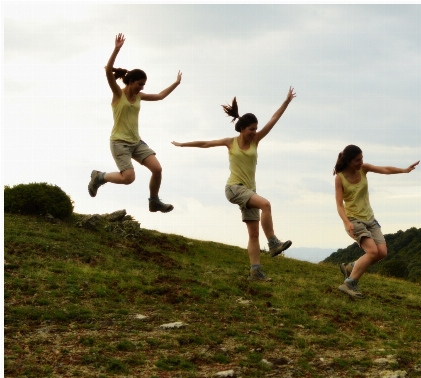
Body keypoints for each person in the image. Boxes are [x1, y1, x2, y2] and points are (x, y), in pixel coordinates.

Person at [171, 88, 296, 281]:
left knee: (254, 233)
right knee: (266, 204)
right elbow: (206, 144)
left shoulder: (256, 141)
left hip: (249, 191)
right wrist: (183, 144)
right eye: (251, 129)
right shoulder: (231, 142)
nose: (255, 132)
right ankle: (273, 242)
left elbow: (273, 118)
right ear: (242, 129)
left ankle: (255, 271)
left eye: (256, 128)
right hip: (233, 188)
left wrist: (286, 102)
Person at [88, 33, 182, 213]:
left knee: (157, 169)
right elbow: (108, 71)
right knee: (128, 178)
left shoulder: (139, 96)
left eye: (143, 85)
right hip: (119, 143)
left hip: (136, 142)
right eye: (139, 84)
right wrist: (116, 49)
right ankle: (99, 177)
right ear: (130, 82)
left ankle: (154, 201)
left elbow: (160, 96)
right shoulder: (118, 94)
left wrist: (176, 83)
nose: (142, 88)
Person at [334, 145, 419, 298]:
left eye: (362, 159)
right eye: (357, 160)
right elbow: (339, 205)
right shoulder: (340, 178)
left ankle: (351, 267)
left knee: (381, 253)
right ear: (347, 161)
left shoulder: (363, 169)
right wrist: (347, 222)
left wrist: (404, 170)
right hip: (354, 220)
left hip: (370, 219)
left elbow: (384, 169)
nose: (361, 162)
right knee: (372, 251)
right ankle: (349, 283)